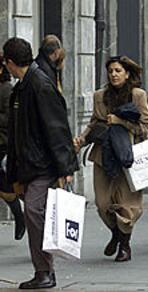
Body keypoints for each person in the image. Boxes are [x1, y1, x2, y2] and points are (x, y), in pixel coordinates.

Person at [3, 37, 78, 289]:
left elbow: (57, 129)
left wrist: (66, 168)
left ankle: (44, 272)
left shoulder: (39, 85)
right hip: (29, 164)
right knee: (37, 213)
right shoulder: (22, 87)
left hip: (43, 165)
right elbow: (17, 134)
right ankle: (45, 271)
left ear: (10, 62)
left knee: (34, 212)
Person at [73, 56, 148, 262]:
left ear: (126, 74)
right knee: (102, 203)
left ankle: (124, 244)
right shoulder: (100, 96)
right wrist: (81, 139)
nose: (114, 74)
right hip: (103, 155)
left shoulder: (138, 95)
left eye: (118, 70)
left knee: (128, 204)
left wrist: (120, 122)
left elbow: (146, 127)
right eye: (111, 71)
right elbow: (94, 123)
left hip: (129, 155)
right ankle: (116, 233)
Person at [0, 54, 25, 240]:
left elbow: (10, 119)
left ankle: (20, 215)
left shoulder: (6, 89)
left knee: (7, 189)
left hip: (2, 145)